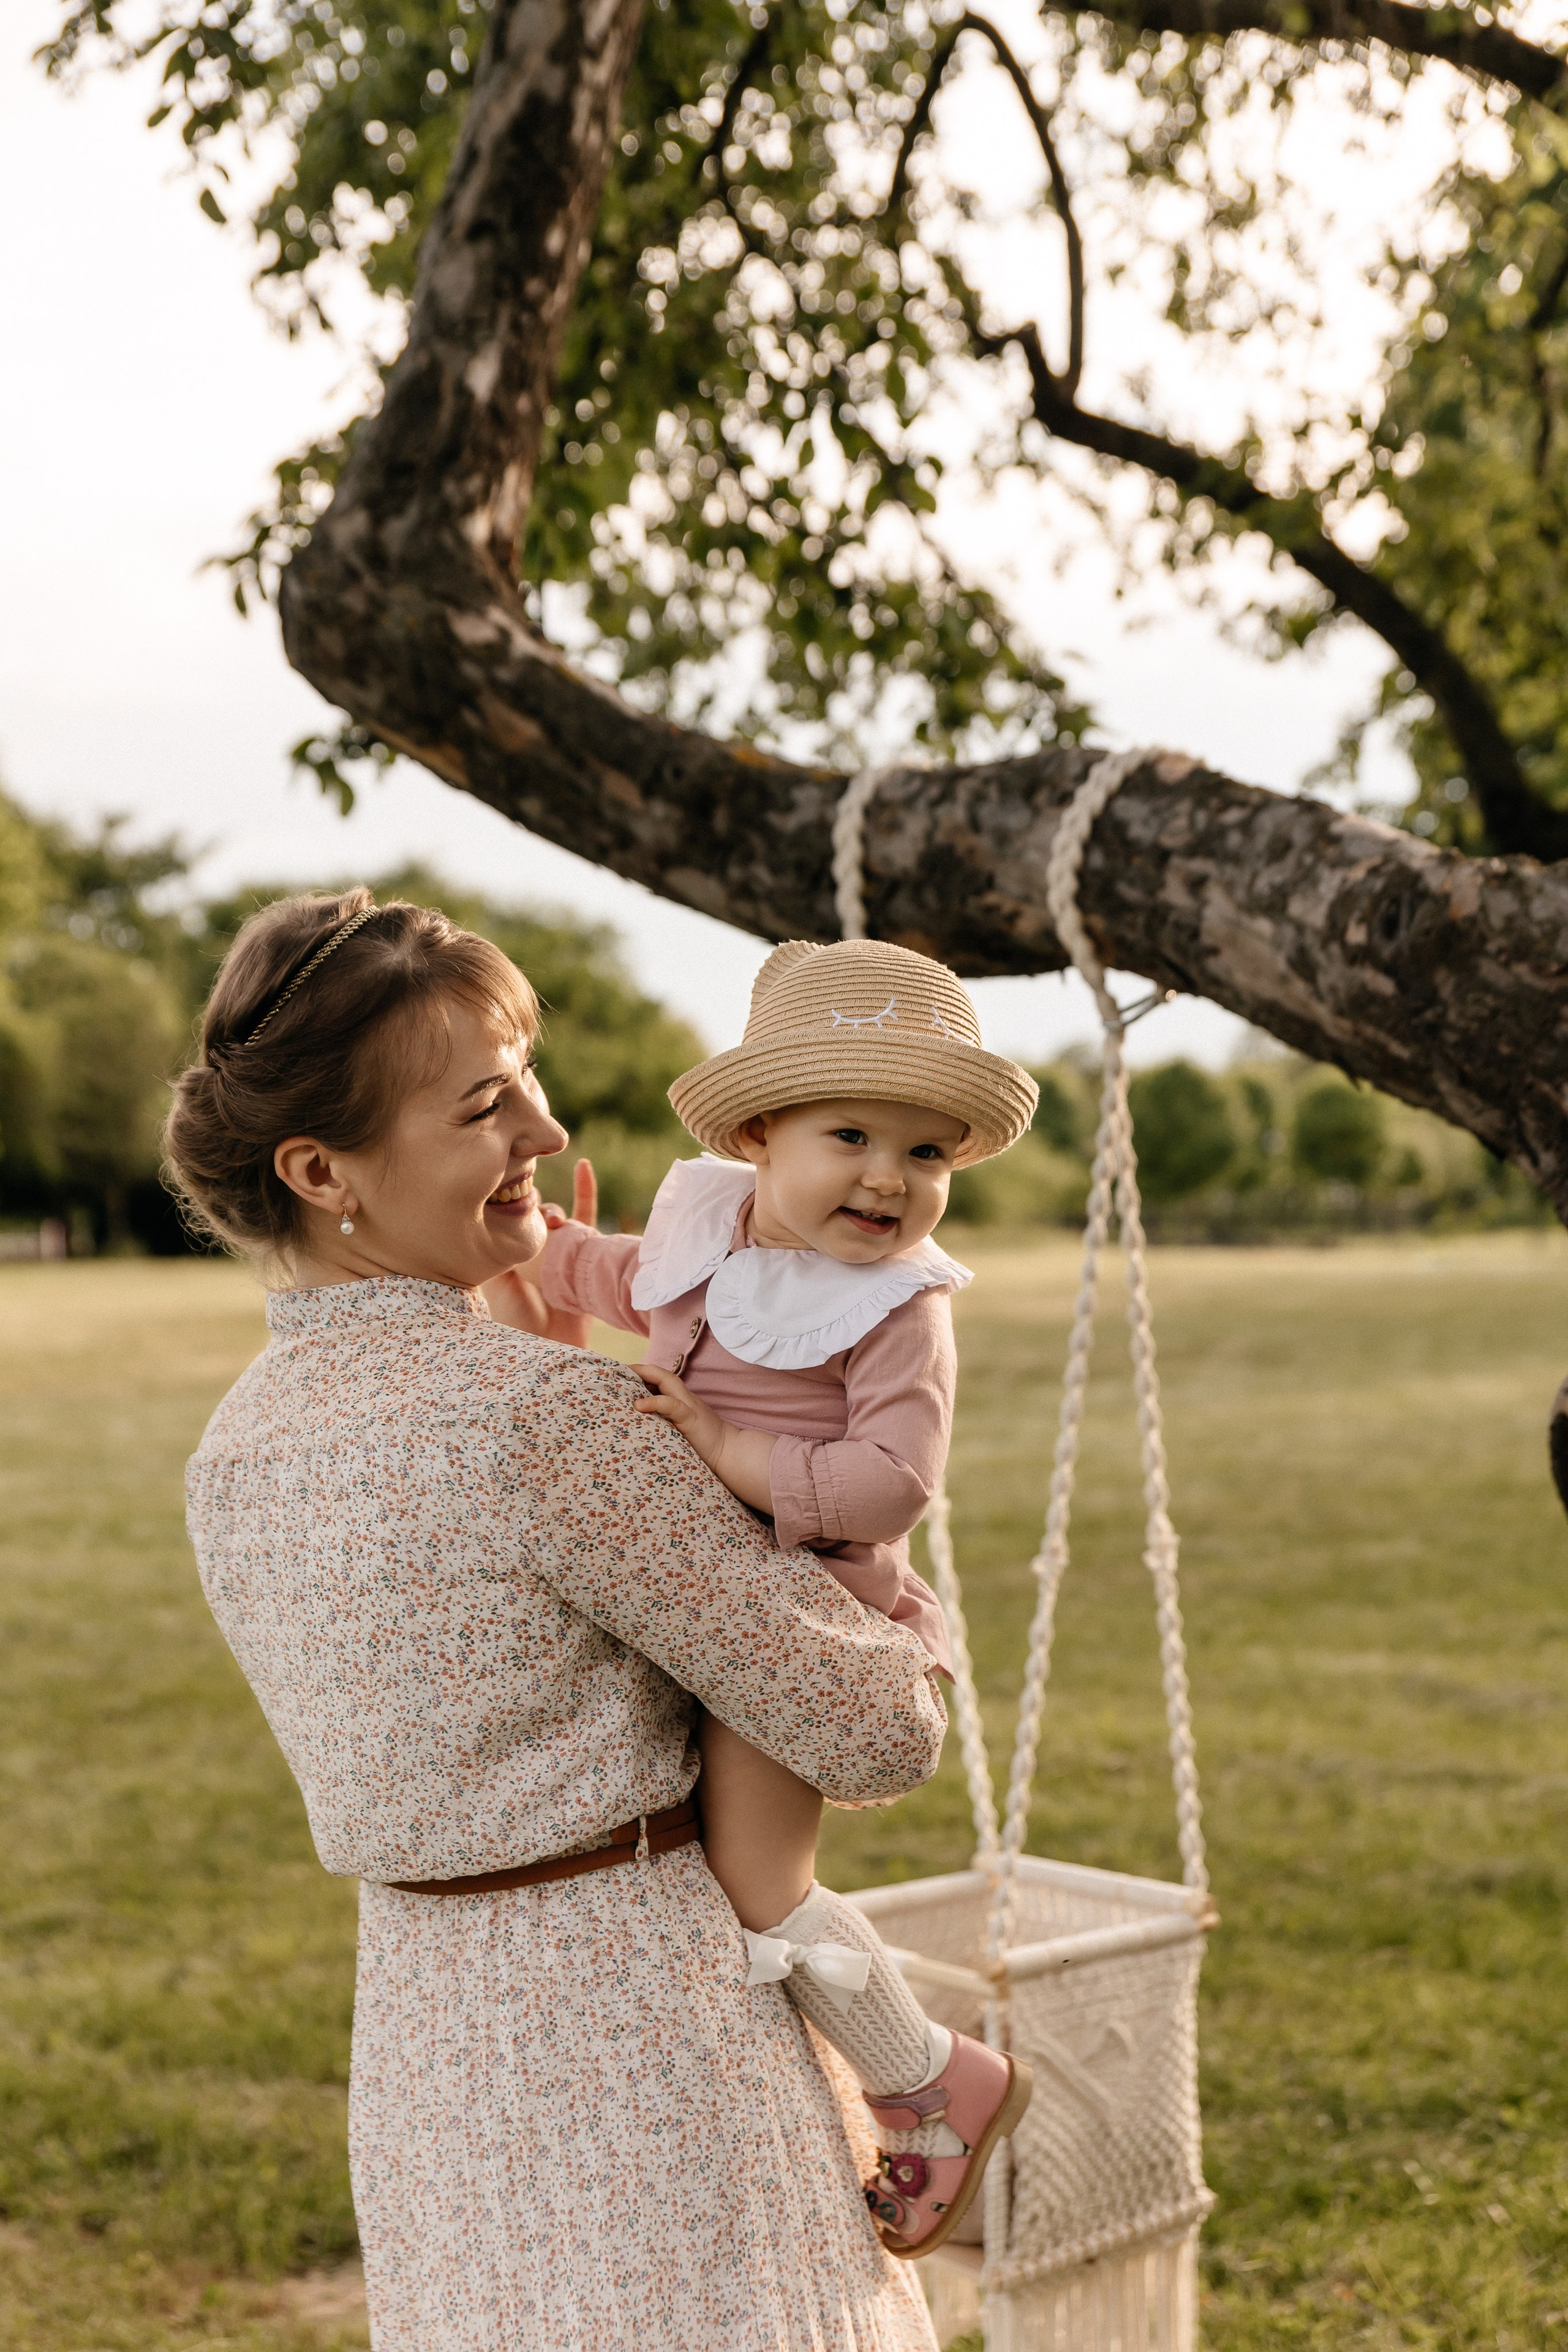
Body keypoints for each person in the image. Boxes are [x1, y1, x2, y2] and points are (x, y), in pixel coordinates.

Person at [167, 888, 949, 2352]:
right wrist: (818, 1506)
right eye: (483, 1106)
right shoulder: (549, 1426)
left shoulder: (236, 1454)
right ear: (322, 1169)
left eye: (527, 1074)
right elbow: (874, 1726)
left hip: (426, 2062)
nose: (540, 1127)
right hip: (651, 2073)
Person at [489, 939, 1038, 2253]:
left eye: (926, 1154)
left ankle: (927, 2078)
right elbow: (619, 1278)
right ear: (754, 1134)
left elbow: (887, 1483)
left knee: (754, 1875)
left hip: (796, 1620)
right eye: (849, 1134)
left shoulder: (899, 1307)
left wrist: (732, 1455)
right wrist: (534, 1244)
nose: (886, 1178)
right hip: (686, 1590)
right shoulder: (706, 1222)